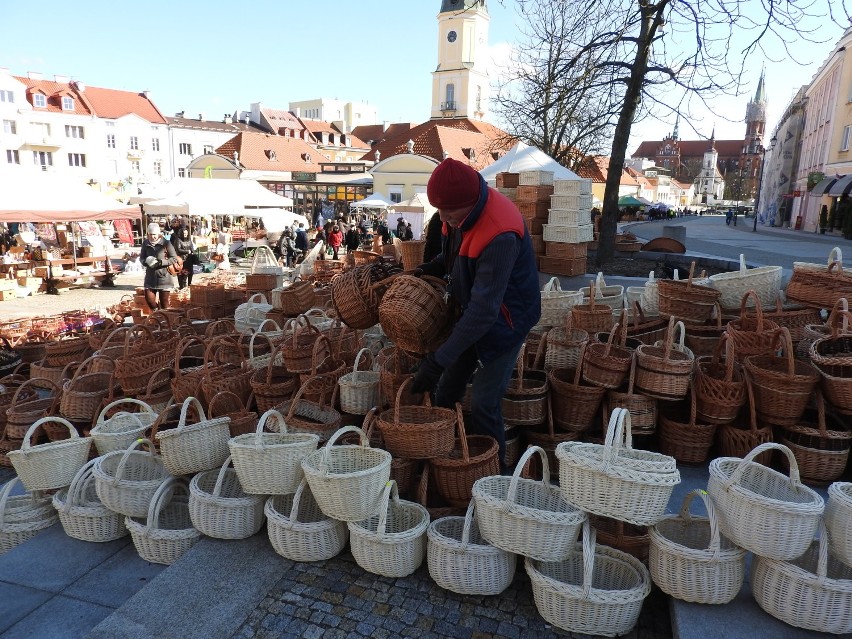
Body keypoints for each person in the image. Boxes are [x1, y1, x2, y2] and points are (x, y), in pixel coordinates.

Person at [411, 158, 541, 471]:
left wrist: (437, 360)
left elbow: (484, 314)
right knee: (447, 390)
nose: (442, 217)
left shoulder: (500, 234)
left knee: (484, 401)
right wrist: (432, 267)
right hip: (477, 311)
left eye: (448, 211)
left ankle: (494, 475)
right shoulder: (457, 212)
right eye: (439, 210)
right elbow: (456, 252)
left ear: (469, 203)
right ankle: (445, 459)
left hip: (508, 321)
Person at [140, 222, 179, 311]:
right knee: (150, 301)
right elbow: (142, 258)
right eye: (150, 234)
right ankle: (157, 315)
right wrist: (146, 262)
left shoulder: (166, 243)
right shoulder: (145, 243)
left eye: (154, 234)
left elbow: (174, 259)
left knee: (164, 304)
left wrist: (160, 262)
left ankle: (165, 320)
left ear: (158, 234)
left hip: (164, 277)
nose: (152, 237)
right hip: (150, 277)